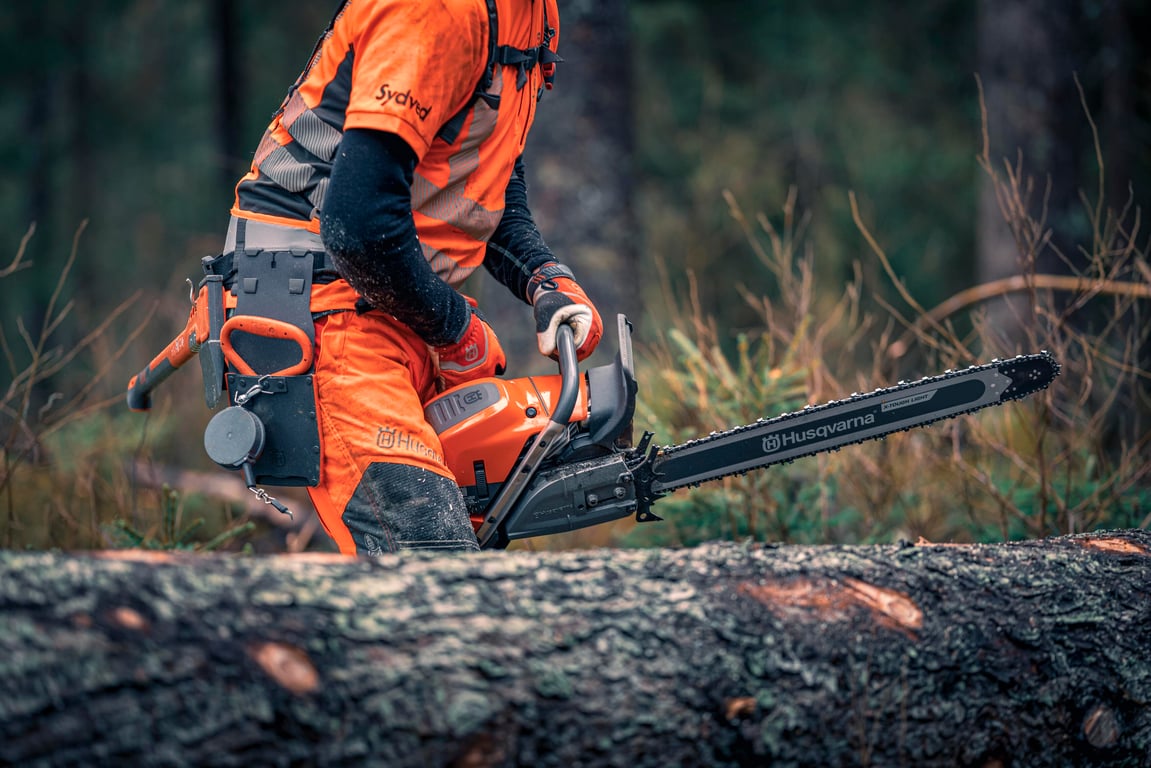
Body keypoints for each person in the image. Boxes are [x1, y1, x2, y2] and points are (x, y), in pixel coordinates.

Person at [206, 0, 603, 555]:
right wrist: (455, 327)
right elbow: (358, 226)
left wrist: (543, 277)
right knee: (434, 569)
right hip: (317, 309)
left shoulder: (531, 15)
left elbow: (483, 181)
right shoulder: (437, 11)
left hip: (395, 298)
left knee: (479, 533)